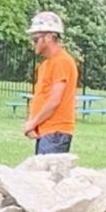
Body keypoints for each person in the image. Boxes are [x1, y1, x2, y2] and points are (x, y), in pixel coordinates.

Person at [22, 11, 78, 154]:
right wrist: (33, 123)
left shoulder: (62, 61)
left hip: (56, 133)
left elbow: (54, 100)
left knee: (47, 169)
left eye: (35, 39)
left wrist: (32, 123)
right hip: (46, 132)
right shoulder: (46, 64)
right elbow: (42, 97)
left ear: (48, 38)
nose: (33, 43)